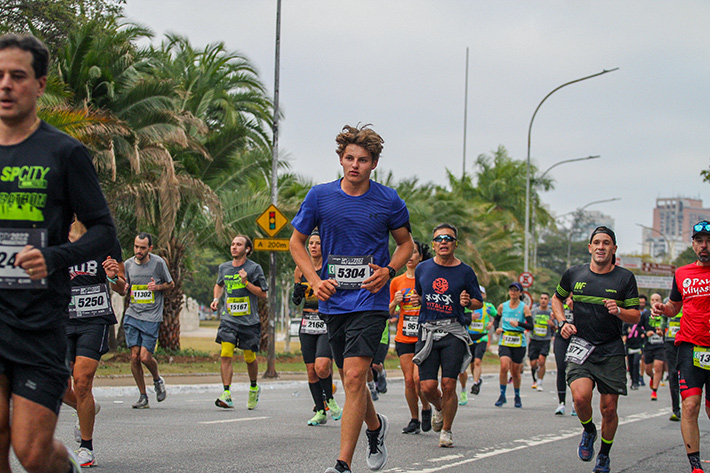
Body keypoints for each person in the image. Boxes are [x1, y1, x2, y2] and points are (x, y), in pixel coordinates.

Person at [0, 33, 116, 473]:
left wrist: (54, 257)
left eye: (18, 76)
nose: (6, 85)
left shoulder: (64, 152)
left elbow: (104, 231)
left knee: (32, 451)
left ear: (40, 84)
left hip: (38, 320)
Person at [289, 124, 414, 473]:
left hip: (370, 300)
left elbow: (406, 244)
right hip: (332, 302)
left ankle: (342, 464)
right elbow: (295, 243)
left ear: (374, 163)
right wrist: (314, 280)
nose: (354, 165)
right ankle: (375, 428)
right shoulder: (320, 196)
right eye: (349, 158)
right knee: (349, 379)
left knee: (357, 377)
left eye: (362, 159)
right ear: (341, 160)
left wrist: (388, 271)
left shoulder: (389, 200)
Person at [551, 226, 639, 473]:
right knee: (580, 397)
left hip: (611, 349)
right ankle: (589, 430)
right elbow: (557, 298)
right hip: (581, 345)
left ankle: (604, 455)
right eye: (597, 243)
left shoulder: (624, 278)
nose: (601, 247)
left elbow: (635, 315)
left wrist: (619, 310)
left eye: (606, 243)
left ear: (614, 249)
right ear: (590, 247)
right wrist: (562, 323)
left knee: (609, 409)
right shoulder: (574, 274)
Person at [410, 224, 482, 448]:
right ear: (433, 244)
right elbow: (419, 294)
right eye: (439, 238)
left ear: (455, 244)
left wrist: (468, 302)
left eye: (448, 239)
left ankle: (447, 430)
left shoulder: (465, 271)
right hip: (428, 331)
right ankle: (439, 408)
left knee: (449, 383)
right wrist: (417, 301)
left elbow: (478, 301)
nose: (443, 242)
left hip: (453, 331)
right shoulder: (423, 268)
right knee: (427, 386)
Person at [63, 220, 125, 467]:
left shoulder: (107, 240)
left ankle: (86, 447)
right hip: (62, 320)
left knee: (82, 380)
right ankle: (86, 407)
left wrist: (112, 278)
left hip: (95, 319)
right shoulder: (55, 233)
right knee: (58, 384)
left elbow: (123, 288)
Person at [651, 220, 710, 473]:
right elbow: (675, 306)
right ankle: (695, 465)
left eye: (709, 241)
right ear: (693, 244)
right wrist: (666, 309)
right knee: (690, 404)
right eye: (700, 241)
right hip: (689, 346)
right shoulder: (682, 273)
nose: (704, 246)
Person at [210, 235, 268, 410]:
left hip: (249, 322)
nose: (234, 247)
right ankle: (226, 393)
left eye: (239, 244)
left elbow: (263, 293)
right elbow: (219, 284)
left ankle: (253, 387)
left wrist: (246, 283)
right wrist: (216, 299)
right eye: (233, 244)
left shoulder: (254, 268)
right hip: (229, 319)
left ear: (247, 249)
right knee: (226, 353)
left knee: (249, 358)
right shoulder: (224, 268)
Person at [292, 230, 342, 424]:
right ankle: (320, 411)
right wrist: (297, 292)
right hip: (307, 323)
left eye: (318, 243)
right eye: (310, 243)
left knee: (322, 366)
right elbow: (297, 301)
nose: (313, 246)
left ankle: (330, 400)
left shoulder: (330, 268)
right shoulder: (300, 269)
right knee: (311, 369)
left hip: (326, 322)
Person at [123, 232, 173, 408]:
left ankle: (157, 380)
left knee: (145, 357)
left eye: (142, 248)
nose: (138, 250)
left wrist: (157, 286)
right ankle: (143, 396)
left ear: (149, 248)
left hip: (151, 317)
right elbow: (123, 288)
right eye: (136, 246)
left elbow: (170, 284)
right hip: (133, 314)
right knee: (135, 357)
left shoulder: (158, 263)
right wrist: (124, 287)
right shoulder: (127, 264)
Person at [389, 240, 432, 434]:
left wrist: (422, 301)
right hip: (404, 335)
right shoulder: (396, 281)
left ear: (421, 257)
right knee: (408, 380)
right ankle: (414, 418)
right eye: (409, 253)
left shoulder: (428, 278)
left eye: (415, 253)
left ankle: (426, 408)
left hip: (424, 335)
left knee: (417, 379)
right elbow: (387, 311)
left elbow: (436, 306)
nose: (411, 256)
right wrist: (395, 302)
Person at [493, 282, 533, 408]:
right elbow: (496, 320)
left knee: (515, 371)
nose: (513, 292)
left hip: (518, 340)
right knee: (504, 366)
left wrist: (519, 324)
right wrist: (496, 329)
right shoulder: (502, 306)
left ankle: (517, 395)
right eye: (511, 289)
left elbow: (531, 326)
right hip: (505, 339)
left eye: (516, 290)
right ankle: (502, 395)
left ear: (520, 293)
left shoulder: (524, 307)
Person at [459, 286, 496, 401]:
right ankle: (464, 389)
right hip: (468, 338)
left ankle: (475, 383)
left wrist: (491, 323)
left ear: (484, 295)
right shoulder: (465, 306)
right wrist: (470, 317)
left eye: (481, 293)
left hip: (482, 337)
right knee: (468, 366)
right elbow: (460, 318)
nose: (478, 294)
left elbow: (498, 315)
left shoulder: (488, 307)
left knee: (478, 361)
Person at [659, 293, 682, 421]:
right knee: (673, 373)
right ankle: (676, 410)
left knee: (686, 374)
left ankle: (690, 407)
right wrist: (661, 329)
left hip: (686, 341)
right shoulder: (667, 300)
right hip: (670, 341)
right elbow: (663, 319)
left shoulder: (689, 299)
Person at [553, 296, 576, 416]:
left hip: (576, 337)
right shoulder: (559, 299)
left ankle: (575, 403)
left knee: (574, 369)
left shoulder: (580, 297)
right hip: (561, 336)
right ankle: (561, 402)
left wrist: (574, 308)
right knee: (561, 367)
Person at [641, 294, 666, 401]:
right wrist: (646, 332)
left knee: (658, 366)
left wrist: (662, 332)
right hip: (649, 345)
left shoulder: (664, 313)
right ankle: (652, 377)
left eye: (657, 300)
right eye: (653, 300)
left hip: (661, 345)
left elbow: (668, 326)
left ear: (661, 301)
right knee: (648, 369)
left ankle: (654, 391)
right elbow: (637, 327)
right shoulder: (646, 314)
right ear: (650, 302)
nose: (655, 301)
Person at [528, 292, 554, 392]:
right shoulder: (534, 311)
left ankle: (540, 381)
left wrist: (552, 324)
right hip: (534, 340)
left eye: (545, 299)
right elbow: (529, 323)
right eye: (542, 298)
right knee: (533, 363)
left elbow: (556, 326)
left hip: (545, 340)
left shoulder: (550, 312)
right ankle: (535, 376)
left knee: (542, 361)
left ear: (548, 301)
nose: (543, 300)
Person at [623, 314, 645, 390]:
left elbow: (644, 333)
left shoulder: (640, 325)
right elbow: (624, 335)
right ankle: (632, 380)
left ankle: (636, 382)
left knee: (636, 363)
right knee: (631, 365)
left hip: (638, 348)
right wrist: (626, 333)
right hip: (629, 347)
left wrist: (643, 335)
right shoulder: (626, 324)